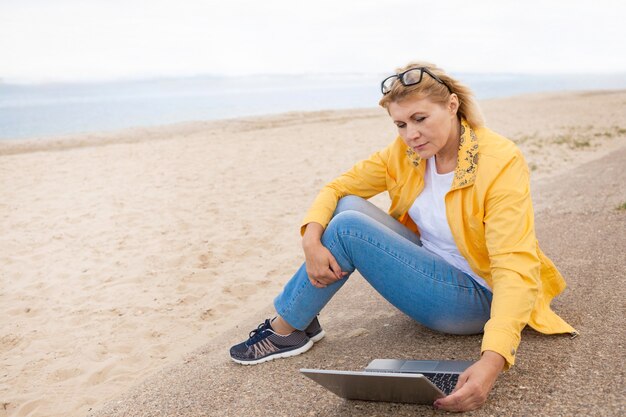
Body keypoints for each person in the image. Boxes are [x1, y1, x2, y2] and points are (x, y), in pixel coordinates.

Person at [229, 62, 577, 412]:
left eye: (420, 119)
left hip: (479, 295)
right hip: (432, 266)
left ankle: (287, 328)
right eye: (401, 124)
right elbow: (337, 187)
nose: (411, 134)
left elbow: (514, 265)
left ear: (452, 106)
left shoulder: (499, 160)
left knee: (349, 227)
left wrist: (493, 360)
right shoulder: (407, 153)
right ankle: (301, 319)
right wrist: (311, 239)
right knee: (347, 204)